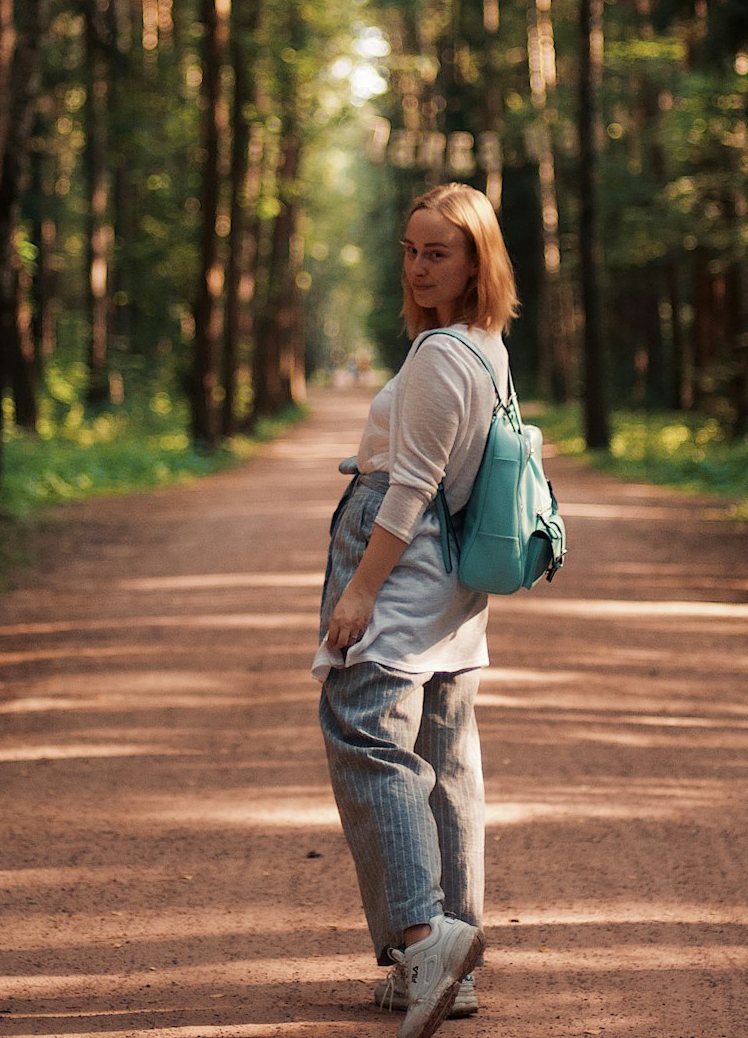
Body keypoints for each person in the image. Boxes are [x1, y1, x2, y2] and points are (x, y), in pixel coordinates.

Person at [312, 182, 520, 1038]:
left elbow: (411, 491)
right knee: (444, 753)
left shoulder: (440, 354)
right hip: (455, 584)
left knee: (363, 728)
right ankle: (450, 967)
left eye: (439, 252)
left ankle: (424, 937)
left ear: (477, 259)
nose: (420, 266)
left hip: (406, 564)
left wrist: (361, 588)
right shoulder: (485, 346)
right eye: (411, 249)